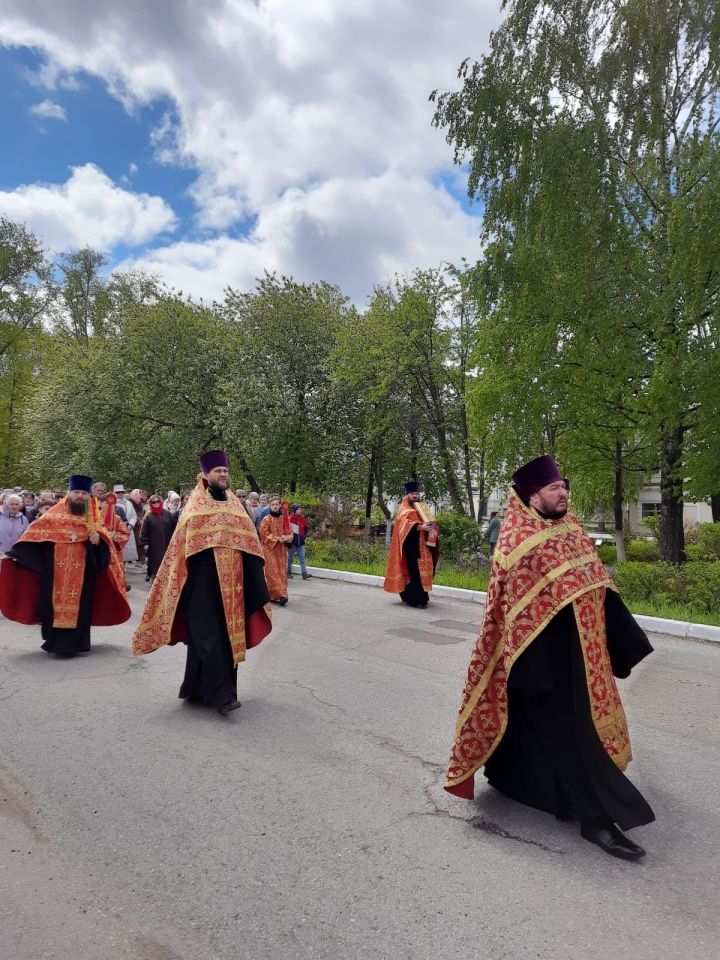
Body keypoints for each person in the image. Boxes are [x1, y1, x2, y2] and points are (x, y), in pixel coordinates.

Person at [444, 455, 655, 861]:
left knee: (542, 734)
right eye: (556, 488)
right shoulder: (515, 542)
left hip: (585, 652)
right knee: (573, 738)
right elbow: (508, 612)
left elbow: (598, 584)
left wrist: (623, 641)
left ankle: (513, 780)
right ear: (532, 495)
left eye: (564, 486)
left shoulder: (570, 528)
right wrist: (531, 668)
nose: (565, 492)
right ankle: (597, 821)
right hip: (542, 662)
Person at [132, 451, 271, 715]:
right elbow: (178, 552)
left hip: (233, 588)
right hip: (201, 588)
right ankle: (223, 697)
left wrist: (257, 581)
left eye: (226, 471)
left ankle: (195, 689)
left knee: (226, 639)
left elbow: (251, 544)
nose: (223, 475)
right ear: (205, 475)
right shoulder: (193, 508)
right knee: (208, 640)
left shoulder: (235, 507)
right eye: (218, 471)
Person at [0, 475, 130, 656]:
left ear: (88, 496)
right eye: (76, 492)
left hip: (84, 574)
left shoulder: (93, 518)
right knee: (50, 606)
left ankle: (77, 643)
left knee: (82, 607)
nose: (80, 496)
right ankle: (54, 642)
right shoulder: (53, 515)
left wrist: (97, 541)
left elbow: (106, 547)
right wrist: (14, 555)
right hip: (55, 574)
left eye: (84, 493)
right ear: (69, 494)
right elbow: (34, 536)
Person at [383, 481, 438, 608]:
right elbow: (404, 524)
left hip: (424, 546)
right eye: (413, 494)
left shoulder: (421, 508)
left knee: (423, 572)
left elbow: (430, 521)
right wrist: (420, 527)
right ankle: (414, 599)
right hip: (410, 547)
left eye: (417, 493)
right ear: (407, 495)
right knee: (414, 572)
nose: (415, 496)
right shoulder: (404, 509)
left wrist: (432, 526)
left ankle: (422, 597)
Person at [258, 496, 291, 605]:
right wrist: (277, 539)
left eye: (277, 504)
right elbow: (264, 534)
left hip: (281, 551)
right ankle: (275, 595)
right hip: (270, 550)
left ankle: (283, 595)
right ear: (270, 506)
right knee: (272, 573)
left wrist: (286, 538)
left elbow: (290, 532)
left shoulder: (284, 519)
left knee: (282, 573)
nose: (275, 506)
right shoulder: (266, 519)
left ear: (279, 506)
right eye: (273, 505)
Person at [139, 494, 177, 582]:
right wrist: (144, 544)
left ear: (161, 502)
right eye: (153, 502)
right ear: (150, 503)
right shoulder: (148, 516)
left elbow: (174, 528)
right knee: (156, 565)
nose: (156, 503)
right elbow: (144, 531)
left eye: (157, 501)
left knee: (168, 564)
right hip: (154, 546)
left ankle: (167, 584)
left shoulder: (167, 514)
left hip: (168, 544)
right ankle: (156, 585)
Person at [113, 485, 138, 563]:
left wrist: (130, 525)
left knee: (126, 552)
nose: (120, 494)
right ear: (114, 493)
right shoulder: (111, 503)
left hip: (128, 529)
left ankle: (124, 567)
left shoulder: (129, 503)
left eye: (122, 492)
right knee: (117, 550)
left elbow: (134, 516)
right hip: (116, 530)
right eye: (118, 492)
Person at [287, 503, 311, 579]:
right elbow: (287, 530)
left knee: (302, 558)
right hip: (292, 542)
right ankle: (288, 572)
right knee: (290, 558)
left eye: (300, 509)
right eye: (298, 509)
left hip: (301, 542)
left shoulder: (302, 519)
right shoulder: (290, 519)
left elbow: (306, 528)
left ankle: (304, 573)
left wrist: (304, 537)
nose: (300, 510)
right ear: (294, 510)